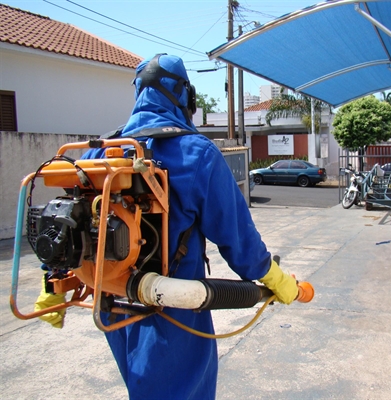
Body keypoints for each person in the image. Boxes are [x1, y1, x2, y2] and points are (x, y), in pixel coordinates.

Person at [34, 54, 299, 399]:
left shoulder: (101, 152)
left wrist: (50, 283)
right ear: (185, 96)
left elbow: (67, 218)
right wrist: (275, 279)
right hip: (172, 310)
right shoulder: (197, 154)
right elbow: (238, 240)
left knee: (141, 387)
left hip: (113, 304)